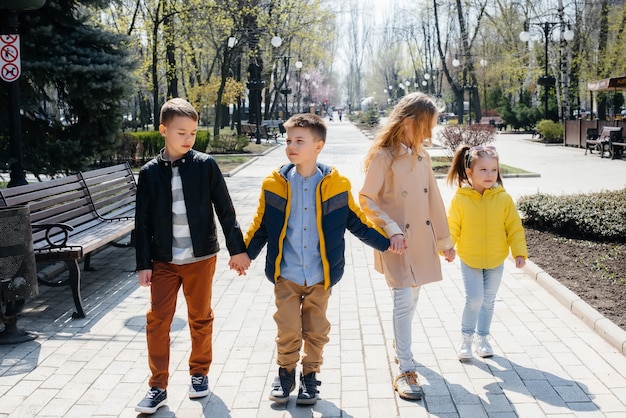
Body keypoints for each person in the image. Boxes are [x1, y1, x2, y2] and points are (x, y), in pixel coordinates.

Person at [241, 113, 395, 406]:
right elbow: (260, 225)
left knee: (316, 329)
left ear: (318, 146)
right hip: (286, 273)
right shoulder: (274, 182)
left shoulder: (336, 184)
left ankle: (310, 378)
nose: (291, 146)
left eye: (299, 141)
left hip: (320, 274)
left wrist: (387, 244)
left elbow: (357, 221)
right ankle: (285, 374)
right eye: (288, 140)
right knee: (287, 327)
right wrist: (245, 255)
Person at [134, 98, 251, 414]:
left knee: (201, 317)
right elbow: (141, 223)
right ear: (163, 130)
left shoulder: (205, 166)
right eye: (181, 132)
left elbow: (225, 209)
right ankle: (157, 386)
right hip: (163, 261)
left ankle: (199, 374)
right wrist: (143, 264)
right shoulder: (149, 174)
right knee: (158, 321)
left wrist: (237, 249)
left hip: (200, 259)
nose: (188, 139)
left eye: (193, 133)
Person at [359, 92, 456, 401]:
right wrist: (390, 229)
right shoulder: (383, 156)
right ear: (410, 122)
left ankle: (401, 346)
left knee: (412, 298)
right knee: (403, 300)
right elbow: (366, 199)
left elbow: (434, 202)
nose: (430, 133)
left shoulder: (422, 155)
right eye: (427, 126)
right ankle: (405, 368)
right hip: (396, 243)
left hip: (421, 242)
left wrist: (444, 241)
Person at [446, 144, 527, 360]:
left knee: (488, 301)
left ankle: (482, 338)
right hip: (470, 258)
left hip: (495, 259)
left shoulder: (504, 199)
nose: (490, 174)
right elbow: (452, 226)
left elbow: (514, 227)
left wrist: (519, 252)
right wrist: (447, 247)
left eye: (494, 170)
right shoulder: (460, 199)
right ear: (469, 172)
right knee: (474, 299)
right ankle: (466, 339)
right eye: (483, 170)